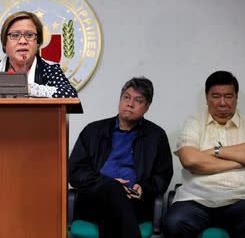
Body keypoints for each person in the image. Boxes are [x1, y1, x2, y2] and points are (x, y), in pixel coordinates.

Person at [164, 70, 245, 238]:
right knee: (173, 223)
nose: (222, 102)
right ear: (207, 98)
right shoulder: (194, 122)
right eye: (216, 96)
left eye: (228, 96)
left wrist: (216, 151)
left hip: (243, 199)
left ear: (236, 98)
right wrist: (241, 161)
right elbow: (189, 160)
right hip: (196, 199)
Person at [68, 77, 173, 238]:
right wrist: (108, 183)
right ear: (120, 99)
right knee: (112, 189)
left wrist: (144, 188)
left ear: (147, 107)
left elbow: (163, 176)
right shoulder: (93, 131)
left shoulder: (156, 136)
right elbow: (74, 172)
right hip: (93, 200)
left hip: (134, 203)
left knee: (113, 207)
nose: (130, 104)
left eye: (138, 100)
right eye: (126, 97)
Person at [0, 11, 77, 112]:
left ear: (38, 42)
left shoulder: (50, 70)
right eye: (15, 35)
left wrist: (26, 89)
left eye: (29, 35)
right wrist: (0, 96)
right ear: (4, 43)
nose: (23, 41)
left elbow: (70, 95)